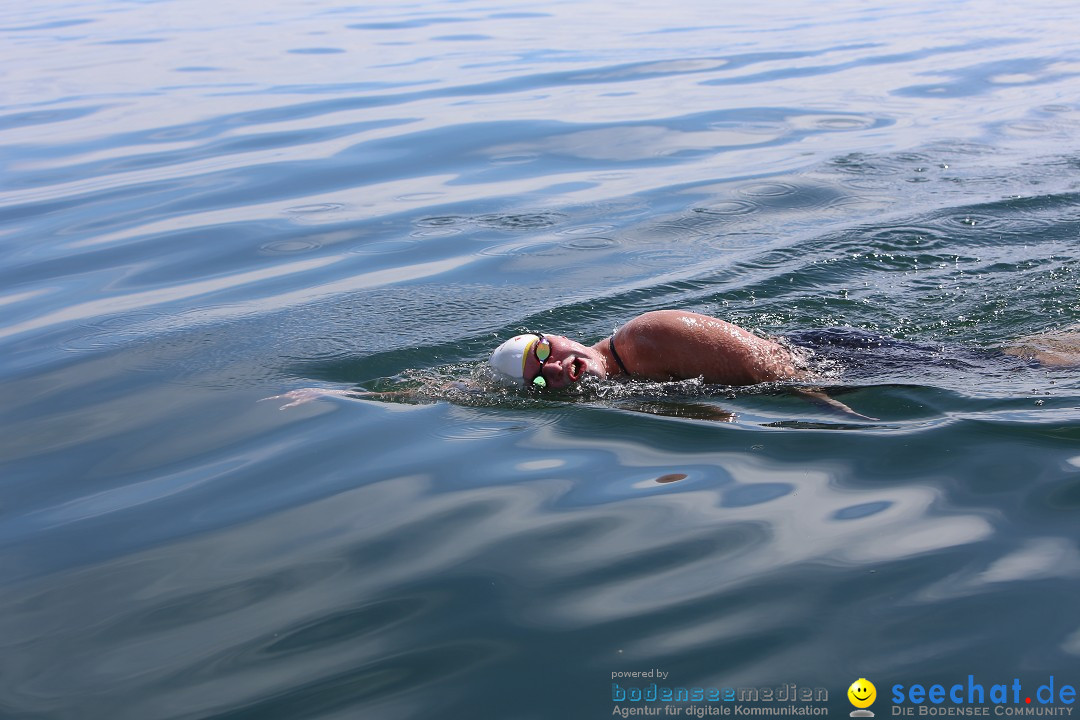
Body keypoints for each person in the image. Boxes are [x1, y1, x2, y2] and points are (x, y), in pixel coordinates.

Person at [488, 309, 806, 389]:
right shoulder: (621, 383)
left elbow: (777, 365)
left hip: (826, 354)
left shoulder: (650, 335)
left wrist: (827, 406)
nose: (556, 368)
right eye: (540, 379)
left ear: (558, 337)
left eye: (544, 353)